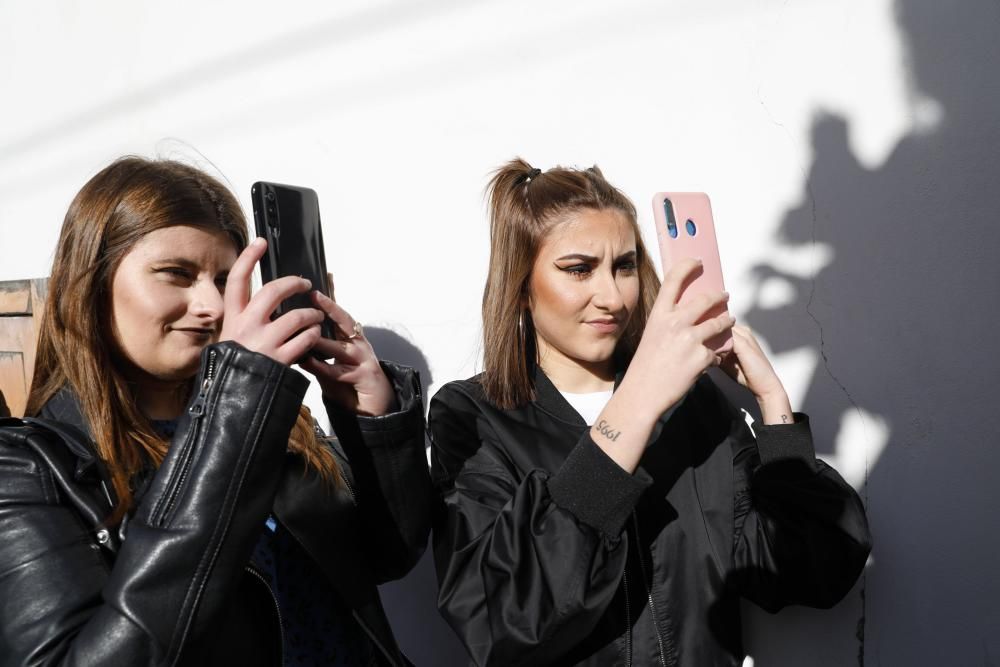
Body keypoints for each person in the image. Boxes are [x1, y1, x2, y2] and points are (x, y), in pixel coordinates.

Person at [429, 158, 872, 666]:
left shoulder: (694, 406)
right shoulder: (473, 416)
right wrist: (637, 404)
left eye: (624, 266)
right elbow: (502, 621)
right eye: (579, 269)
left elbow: (812, 571)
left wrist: (775, 412)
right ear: (521, 286)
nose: (613, 297)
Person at [0, 157, 431, 666]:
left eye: (226, 280)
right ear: (91, 286)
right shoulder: (29, 467)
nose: (211, 305)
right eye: (176, 275)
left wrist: (371, 422)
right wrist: (238, 405)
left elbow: (385, 558)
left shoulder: (274, 422)